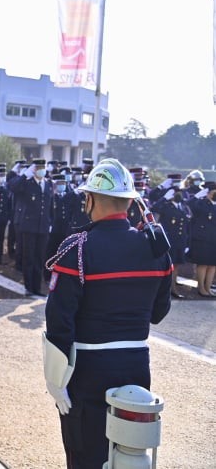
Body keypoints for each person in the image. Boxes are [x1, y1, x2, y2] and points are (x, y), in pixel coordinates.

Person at [44, 157, 171, 469]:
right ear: (129, 203)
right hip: (137, 368)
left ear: (89, 200)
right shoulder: (154, 248)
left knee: (85, 456)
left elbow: (59, 321)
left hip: (88, 371)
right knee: (128, 453)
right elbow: (159, 312)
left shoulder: (78, 249)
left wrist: (54, 379)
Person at [9, 158, 54, 296]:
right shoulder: (26, 183)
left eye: (43, 167)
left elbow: (50, 206)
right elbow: (12, 187)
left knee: (40, 258)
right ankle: (29, 287)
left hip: (43, 227)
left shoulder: (48, 184)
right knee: (29, 258)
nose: (41, 170)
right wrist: (25, 174)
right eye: (38, 167)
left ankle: (37, 287)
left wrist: (50, 222)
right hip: (28, 226)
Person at [186, 182, 216, 296]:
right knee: (203, 264)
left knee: (213, 265)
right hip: (202, 239)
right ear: (208, 193)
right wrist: (198, 195)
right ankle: (201, 288)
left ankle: (208, 288)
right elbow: (188, 204)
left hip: (214, 239)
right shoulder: (201, 203)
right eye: (213, 192)